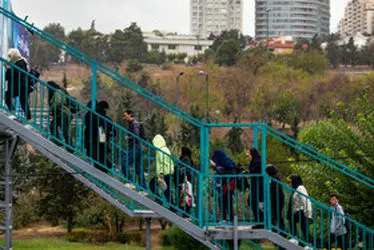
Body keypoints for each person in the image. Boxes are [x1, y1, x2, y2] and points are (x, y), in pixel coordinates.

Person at [5, 48, 32, 121]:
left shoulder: (20, 63)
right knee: (23, 102)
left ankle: (27, 118)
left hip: (21, 86)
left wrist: (8, 70)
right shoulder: (20, 62)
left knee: (22, 102)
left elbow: (15, 73)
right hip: (19, 86)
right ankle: (28, 118)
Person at [122, 110, 146, 189]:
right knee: (138, 168)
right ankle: (144, 189)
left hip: (135, 147)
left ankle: (131, 182)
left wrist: (128, 137)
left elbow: (136, 135)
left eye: (125, 115)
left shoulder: (134, 124)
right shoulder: (132, 124)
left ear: (130, 115)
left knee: (125, 162)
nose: (124, 117)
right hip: (138, 147)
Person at [287, 175, 313, 248]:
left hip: (303, 211)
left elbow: (305, 200)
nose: (289, 184)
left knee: (303, 227)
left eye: (290, 182)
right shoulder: (296, 189)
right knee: (294, 221)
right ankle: (296, 238)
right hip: (299, 211)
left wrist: (308, 213)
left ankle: (308, 244)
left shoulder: (300, 188)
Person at [211, 149, 236, 222]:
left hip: (228, 184)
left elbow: (222, 171)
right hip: (226, 184)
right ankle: (228, 218)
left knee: (225, 200)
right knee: (225, 201)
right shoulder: (226, 161)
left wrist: (215, 166)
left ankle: (229, 218)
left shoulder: (226, 162)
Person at [150, 134, 174, 204]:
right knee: (166, 190)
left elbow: (164, 162)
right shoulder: (165, 149)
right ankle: (171, 205)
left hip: (164, 173)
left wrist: (161, 173)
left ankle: (160, 200)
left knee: (153, 184)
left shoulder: (160, 151)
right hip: (167, 172)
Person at [266, 165, 287, 247]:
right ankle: (280, 231)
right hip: (277, 201)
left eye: (267, 172)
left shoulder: (275, 179)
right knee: (276, 216)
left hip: (277, 201)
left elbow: (274, 189)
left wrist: (268, 187)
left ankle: (281, 231)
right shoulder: (274, 178)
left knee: (276, 216)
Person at [47, 81, 73, 146]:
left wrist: (52, 108)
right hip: (61, 114)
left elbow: (58, 102)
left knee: (62, 129)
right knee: (54, 127)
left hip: (63, 113)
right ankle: (61, 142)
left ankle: (69, 145)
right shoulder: (56, 92)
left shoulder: (57, 92)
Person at [97, 101, 115, 173]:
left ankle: (106, 166)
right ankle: (106, 166)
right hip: (105, 138)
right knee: (103, 153)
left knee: (100, 154)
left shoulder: (98, 117)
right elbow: (113, 131)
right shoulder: (107, 119)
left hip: (101, 137)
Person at [248, 148, 264, 226]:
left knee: (255, 201)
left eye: (249, 155)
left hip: (259, 185)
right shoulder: (255, 162)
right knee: (251, 201)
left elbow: (253, 171)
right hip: (255, 185)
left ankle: (260, 220)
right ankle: (258, 218)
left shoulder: (258, 162)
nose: (248, 156)